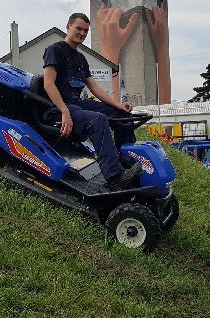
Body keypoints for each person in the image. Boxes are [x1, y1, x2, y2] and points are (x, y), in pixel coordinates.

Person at [43, 12, 141, 190]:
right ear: (68, 26)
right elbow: (48, 84)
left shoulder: (81, 58)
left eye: (85, 31)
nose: (81, 33)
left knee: (122, 115)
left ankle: (125, 163)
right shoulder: (54, 50)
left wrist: (117, 105)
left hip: (78, 104)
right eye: (78, 28)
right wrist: (64, 111)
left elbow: (94, 88)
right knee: (98, 120)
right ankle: (114, 177)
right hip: (58, 108)